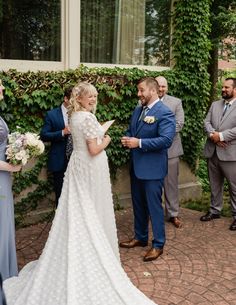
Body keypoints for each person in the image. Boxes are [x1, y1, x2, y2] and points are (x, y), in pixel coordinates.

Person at [3, 82, 160, 305]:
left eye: (95, 96)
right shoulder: (86, 118)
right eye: (90, 96)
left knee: (78, 209)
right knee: (91, 209)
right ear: (80, 98)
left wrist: (99, 131)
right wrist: (106, 138)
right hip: (90, 168)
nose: (94, 99)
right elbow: (94, 149)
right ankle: (95, 256)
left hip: (79, 166)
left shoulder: (75, 116)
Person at [119, 77, 176, 262]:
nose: (138, 94)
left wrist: (139, 143)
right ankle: (140, 237)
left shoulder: (164, 112)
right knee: (138, 205)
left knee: (154, 208)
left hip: (153, 170)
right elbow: (132, 130)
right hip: (136, 167)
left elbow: (166, 140)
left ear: (152, 90)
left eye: (141, 90)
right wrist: (128, 139)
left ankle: (158, 244)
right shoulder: (138, 110)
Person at [200, 77, 236, 231]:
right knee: (214, 184)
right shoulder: (215, 104)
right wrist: (213, 136)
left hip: (231, 153)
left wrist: (221, 136)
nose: (223, 90)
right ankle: (215, 211)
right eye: (222, 87)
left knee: (234, 187)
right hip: (212, 151)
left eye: (227, 87)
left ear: (235, 89)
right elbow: (206, 122)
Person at [155, 76, 184, 228]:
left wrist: (160, 135)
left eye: (164, 86)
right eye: (159, 86)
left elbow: (179, 124)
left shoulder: (176, 102)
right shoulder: (144, 101)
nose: (161, 89)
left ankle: (173, 214)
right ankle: (155, 213)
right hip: (151, 152)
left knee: (171, 183)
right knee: (153, 184)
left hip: (171, 150)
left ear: (167, 87)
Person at [40, 87, 73, 207]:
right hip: (60, 160)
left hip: (77, 159)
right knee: (60, 193)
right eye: (73, 99)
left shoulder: (80, 113)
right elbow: (44, 135)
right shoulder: (52, 114)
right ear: (65, 99)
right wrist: (62, 132)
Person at [0, 115, 21, 281]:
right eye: (0, 86)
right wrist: (10, 166)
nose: (2, 87)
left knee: (4, 219)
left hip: (3, 175)